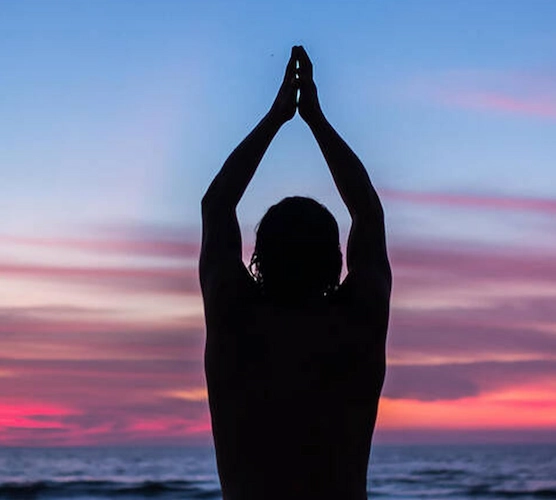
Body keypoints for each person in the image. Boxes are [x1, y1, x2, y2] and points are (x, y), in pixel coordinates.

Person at [200, 46, 392, 499]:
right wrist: (316, 121)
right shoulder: (357, 322)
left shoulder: (235, 320)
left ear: (258, 259)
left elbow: (217, 205)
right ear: (336, 261)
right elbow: (368, 213)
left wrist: (277, 117)